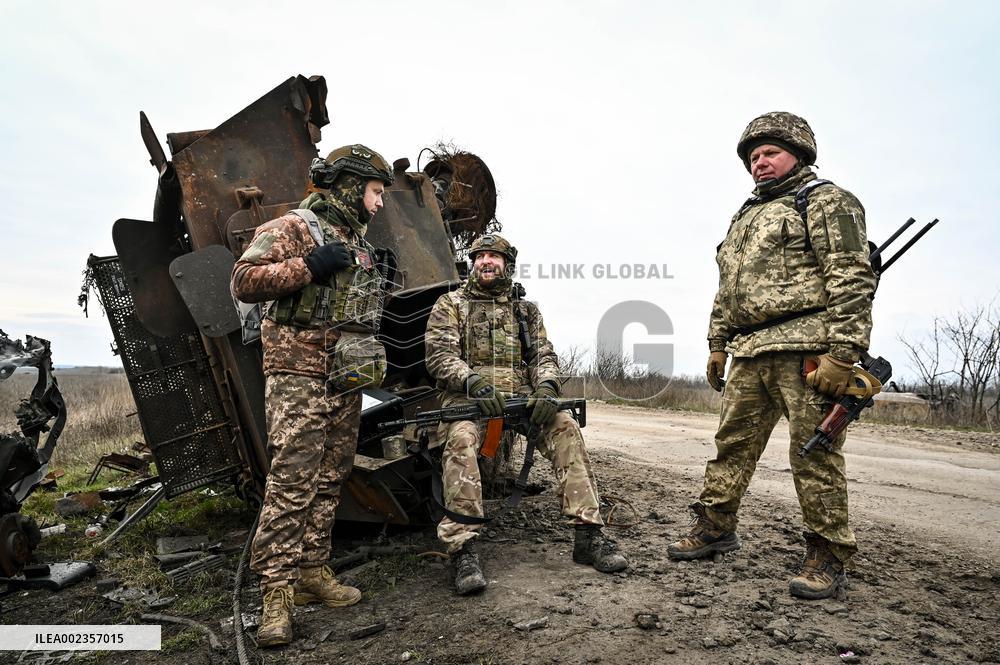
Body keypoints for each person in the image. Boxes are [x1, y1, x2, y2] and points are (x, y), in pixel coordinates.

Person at [667, 112, 877, 600]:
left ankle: (828, 553)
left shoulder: (826, 201)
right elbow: (727, 290)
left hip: (808, 349)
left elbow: (851, 278)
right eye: (753, 157)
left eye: (770, 153)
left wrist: (842, 354)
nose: (759, 163)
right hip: (748, 350)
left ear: (798, 154)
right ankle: (716, 527)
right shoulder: (744, 217)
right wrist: (717, 345)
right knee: (731, 445)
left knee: (815, 454)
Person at [231, 144, 394, 646]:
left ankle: (311, 573)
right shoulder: (295, 227)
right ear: (349, 185)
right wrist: (309, 266)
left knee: (329, 477)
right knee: (292, 480)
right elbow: (243, 280)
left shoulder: (358, 241)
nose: (380, 203)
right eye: (374, 191)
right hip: (298, 374)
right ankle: (275, 593)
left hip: (343, 375)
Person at [424, 233, 628, 595]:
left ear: (508, 264)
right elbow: (439, 356)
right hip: (470, 402)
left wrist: (548, 387)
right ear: (472, 263)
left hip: (521, 400)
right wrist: (473, 383)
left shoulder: (525, 310)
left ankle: (588, 534)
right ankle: (462, 550)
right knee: (461, 441)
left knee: (565, 427)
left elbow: (543, 356)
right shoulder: (451, 304)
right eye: (480, 256)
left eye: (494, 256)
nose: (487, 261)